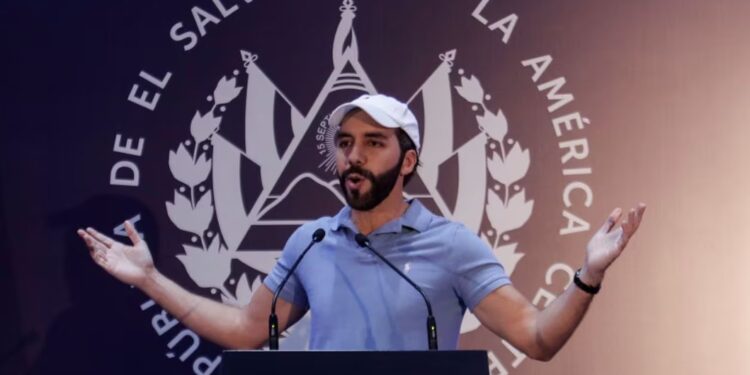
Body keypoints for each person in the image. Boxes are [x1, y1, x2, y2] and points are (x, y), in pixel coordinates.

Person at [78, 94, 646, 359]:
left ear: (407, 161)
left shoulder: (450, 246)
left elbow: (538, 339)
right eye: (345, 144)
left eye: (374, 143)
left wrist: (588, 273)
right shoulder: (312, 242)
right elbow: (248, 330)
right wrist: (151, 280)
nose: (353, 156)